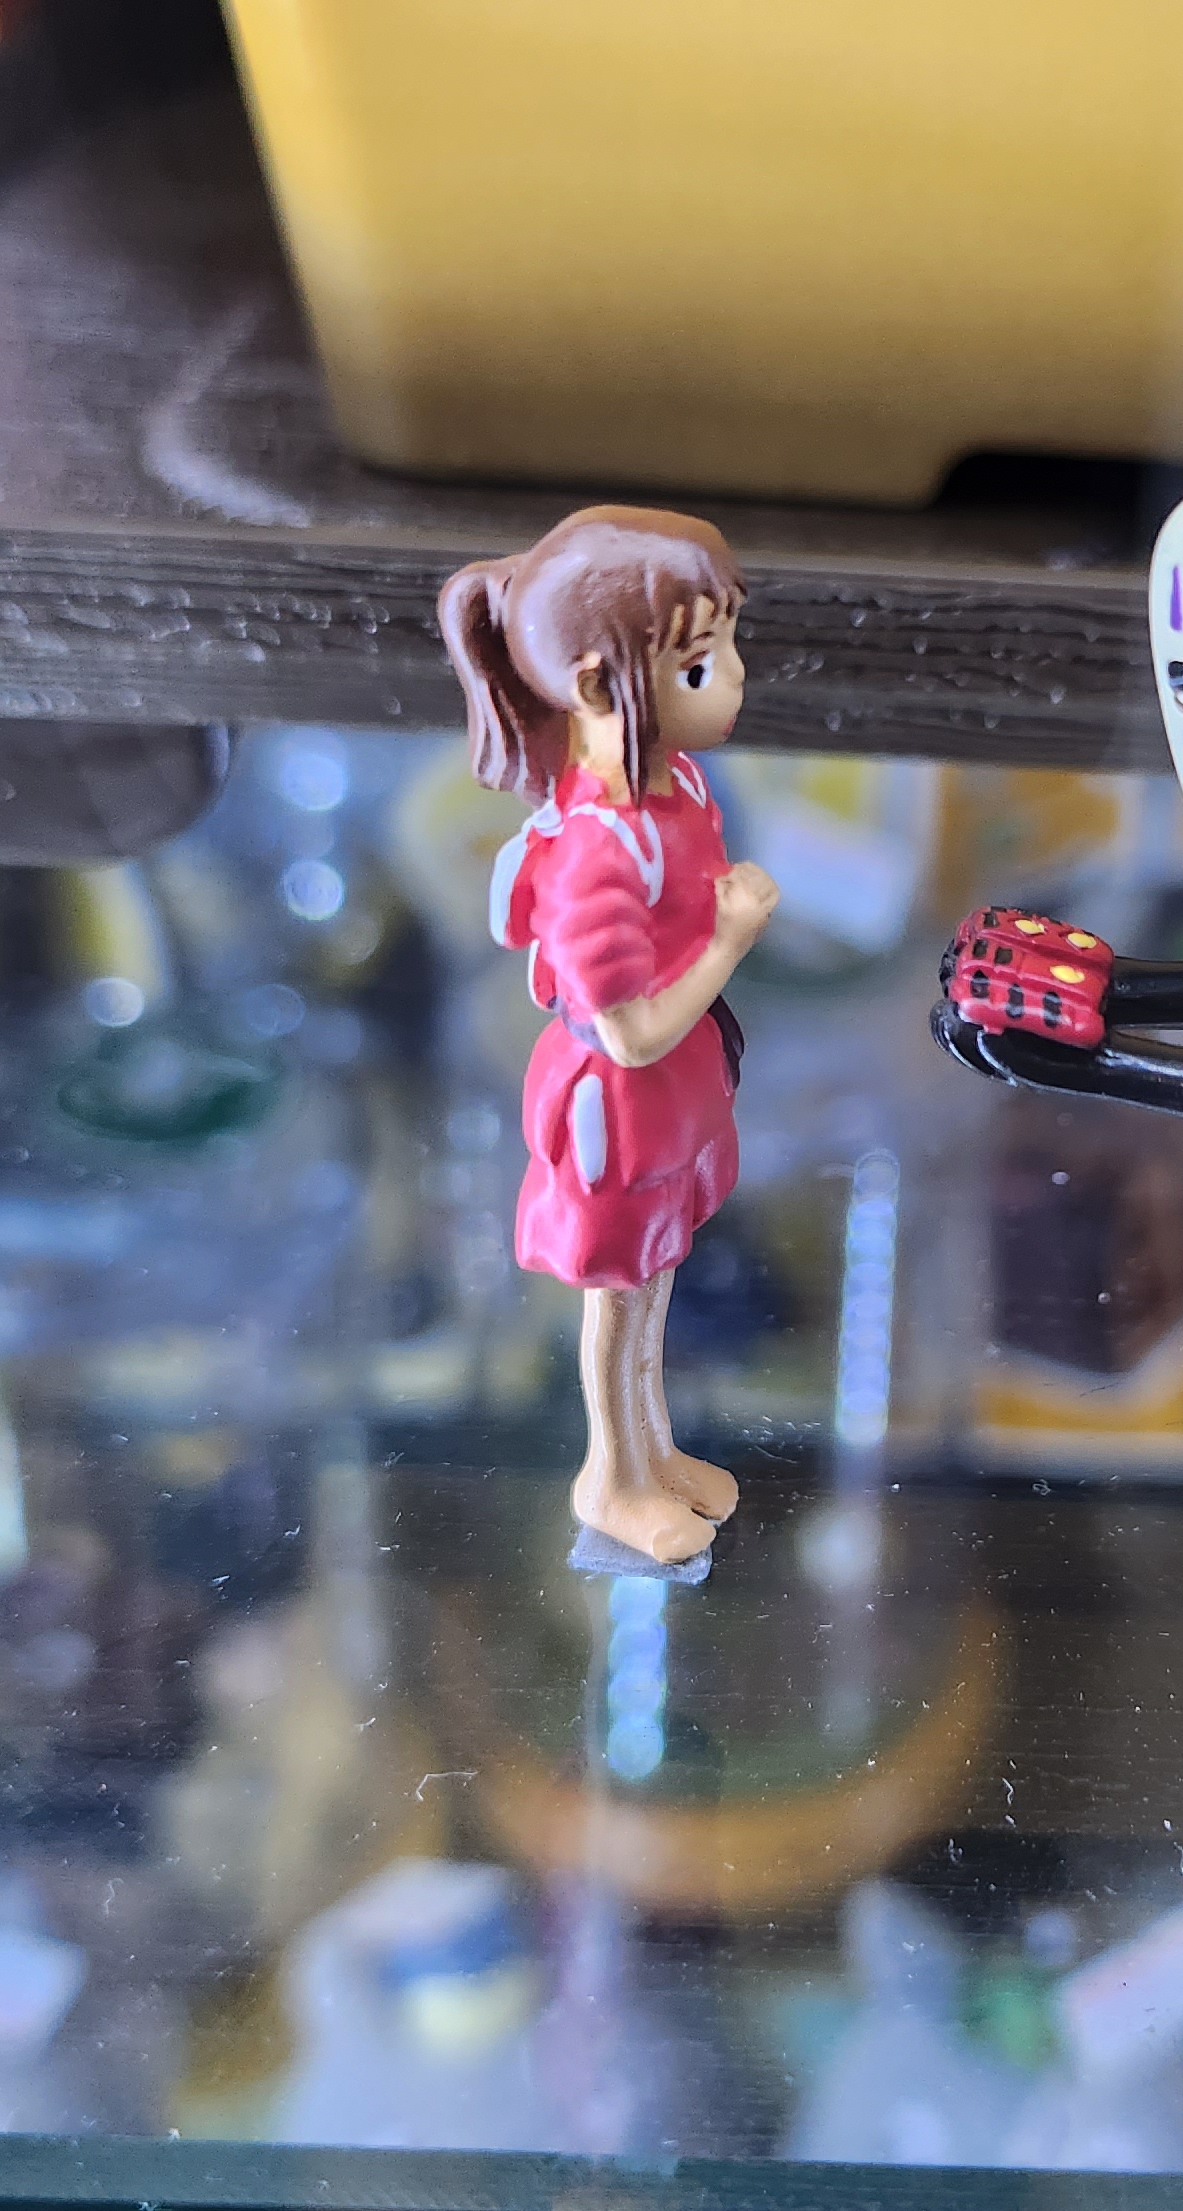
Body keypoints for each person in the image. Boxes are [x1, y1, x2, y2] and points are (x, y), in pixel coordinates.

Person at [439, 507, 777, 1568]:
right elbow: (626, 1029)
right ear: (596, 686)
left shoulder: (677, 784)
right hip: (622, 1106)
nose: (733, 679)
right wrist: (727, 941)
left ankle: (652, 1450)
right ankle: (610, 1475)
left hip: (677, 1089)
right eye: (698, 665)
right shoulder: (599, 850)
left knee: (656, 1282)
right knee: (620, 1300)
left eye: (724, 647)